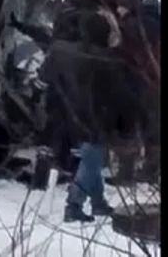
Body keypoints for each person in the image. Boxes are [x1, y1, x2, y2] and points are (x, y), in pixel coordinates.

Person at [43, 11, 129, 223]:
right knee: (92, 159)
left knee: (93, 158)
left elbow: (47, 75)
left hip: (71, 112)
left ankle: (98, 202)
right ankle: (74, 204)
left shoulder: (65, 51)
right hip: (97, 116)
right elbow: (118, 93)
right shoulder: (109, 59)